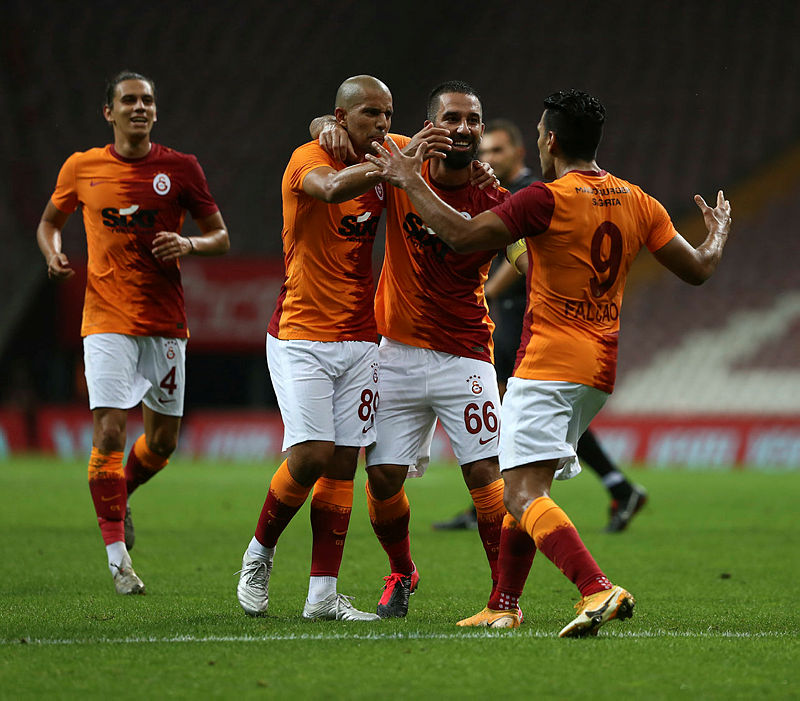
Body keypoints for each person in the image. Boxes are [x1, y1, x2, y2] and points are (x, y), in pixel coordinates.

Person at [366, 89, 731, 636]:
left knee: (520, 493)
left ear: (551, 140)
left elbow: (461, 235)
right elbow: (699, 268)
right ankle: (503, 603)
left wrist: (409, 180)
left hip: (548, 364)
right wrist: (719, 230)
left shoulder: (543, 199)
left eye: (539, 133)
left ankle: (596, 588)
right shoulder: (639, 200)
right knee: (527, 483)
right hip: (599, 369)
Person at [235, 75, 453, 622]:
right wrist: (383, 160)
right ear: (341, 116)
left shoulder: (389, 150)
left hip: (360, 338)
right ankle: (258, 555)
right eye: (370, 114)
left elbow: (441, 156)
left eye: (389, 114)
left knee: (341, 463)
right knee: (310, 454)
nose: (383, 124)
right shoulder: (307, 157)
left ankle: (321, 596)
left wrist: (480, 170)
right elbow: (331, 189)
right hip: (301, 334)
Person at [317, 81, 534, 621]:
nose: (464, 128)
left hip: (466, 355)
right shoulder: (398, 159)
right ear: (429, 125)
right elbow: (337, 128)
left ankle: (501, 597)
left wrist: (540, 265)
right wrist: (324, 127)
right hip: (395, 352)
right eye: (452, 118)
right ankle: (401, 570)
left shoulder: (496, 201)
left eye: (473, 120)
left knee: (485, 475)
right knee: (382, 476)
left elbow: (525, 258)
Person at [36, 71, 230, 595]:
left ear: (155, 111)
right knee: (109, 433)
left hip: (164, 322)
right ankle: (119, 561)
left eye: (147, 100)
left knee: (163, 443)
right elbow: (50, 223)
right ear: (109, 112)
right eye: (129, 100)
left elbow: (220, 236)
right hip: (104, 320)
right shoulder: (82, 167)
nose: (139, 107)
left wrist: (189, 245)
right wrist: (53, 252)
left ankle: (120, 494)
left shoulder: (181, 168)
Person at [434, 120, 648, 534]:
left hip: (526, 313)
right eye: (485, 151)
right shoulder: (503, 190)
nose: (489, 158)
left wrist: (488, 290)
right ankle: (615, 486)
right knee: (527, 413)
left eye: (497, 150)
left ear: (520, 152)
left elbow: (529, 257)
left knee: (516, 409)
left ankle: (498, 500)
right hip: (516, 316)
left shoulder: (534, 192)